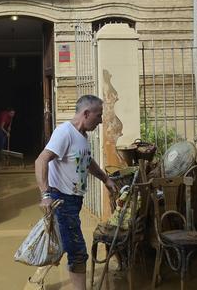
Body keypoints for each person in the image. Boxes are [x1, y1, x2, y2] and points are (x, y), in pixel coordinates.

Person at [34, 95, 117, 290]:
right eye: (98, 116)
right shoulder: (65, 133)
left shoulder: (82, 136)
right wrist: (45, 195)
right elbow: (41, 160)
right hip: (61, 201)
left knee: (63, 243)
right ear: (86, 113)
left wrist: (105, 179)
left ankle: (35, 281)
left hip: (72, 201)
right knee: (78, 251)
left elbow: (87, 161)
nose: (101, 120)